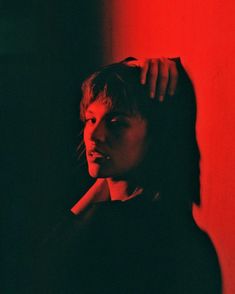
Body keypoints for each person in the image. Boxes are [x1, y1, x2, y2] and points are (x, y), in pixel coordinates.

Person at [33, 58, 221, 294]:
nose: (94, 135)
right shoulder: (178, 228)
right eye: (91, 119)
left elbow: (39, 266)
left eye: (116, 123)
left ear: (156, 136)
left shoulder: (114, 227)